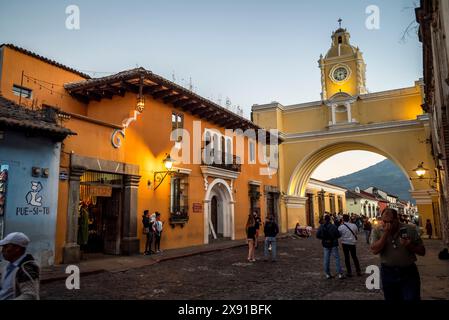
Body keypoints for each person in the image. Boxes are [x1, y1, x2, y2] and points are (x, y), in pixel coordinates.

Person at [370, 208, 426, 301]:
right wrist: (385, 233)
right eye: (384, 221)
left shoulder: (409, 229)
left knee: (412, 297)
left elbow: (422, 251)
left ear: (397, 220)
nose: (387, 224)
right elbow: (375, 250)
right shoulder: (378, 230)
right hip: (388, 272)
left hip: (408, 272)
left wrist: (409, 245)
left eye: (391, 222)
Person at [0, 232, 39, 300]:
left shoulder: (27, 268)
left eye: (6, 246)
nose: (2, 250)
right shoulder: (9, 266)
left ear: (17, 248)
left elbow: (30, 295)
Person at [316, 214, 345, 279]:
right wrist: (333, 238)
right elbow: (338, 235)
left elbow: (317, 235)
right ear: (330, 219)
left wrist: (324, 238)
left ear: (324, 220)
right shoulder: (333, 226)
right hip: (334, 244)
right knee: (337, 258)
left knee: (326, 259)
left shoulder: (321, 226)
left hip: (325, 244)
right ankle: (340, 274)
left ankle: (327, 274)